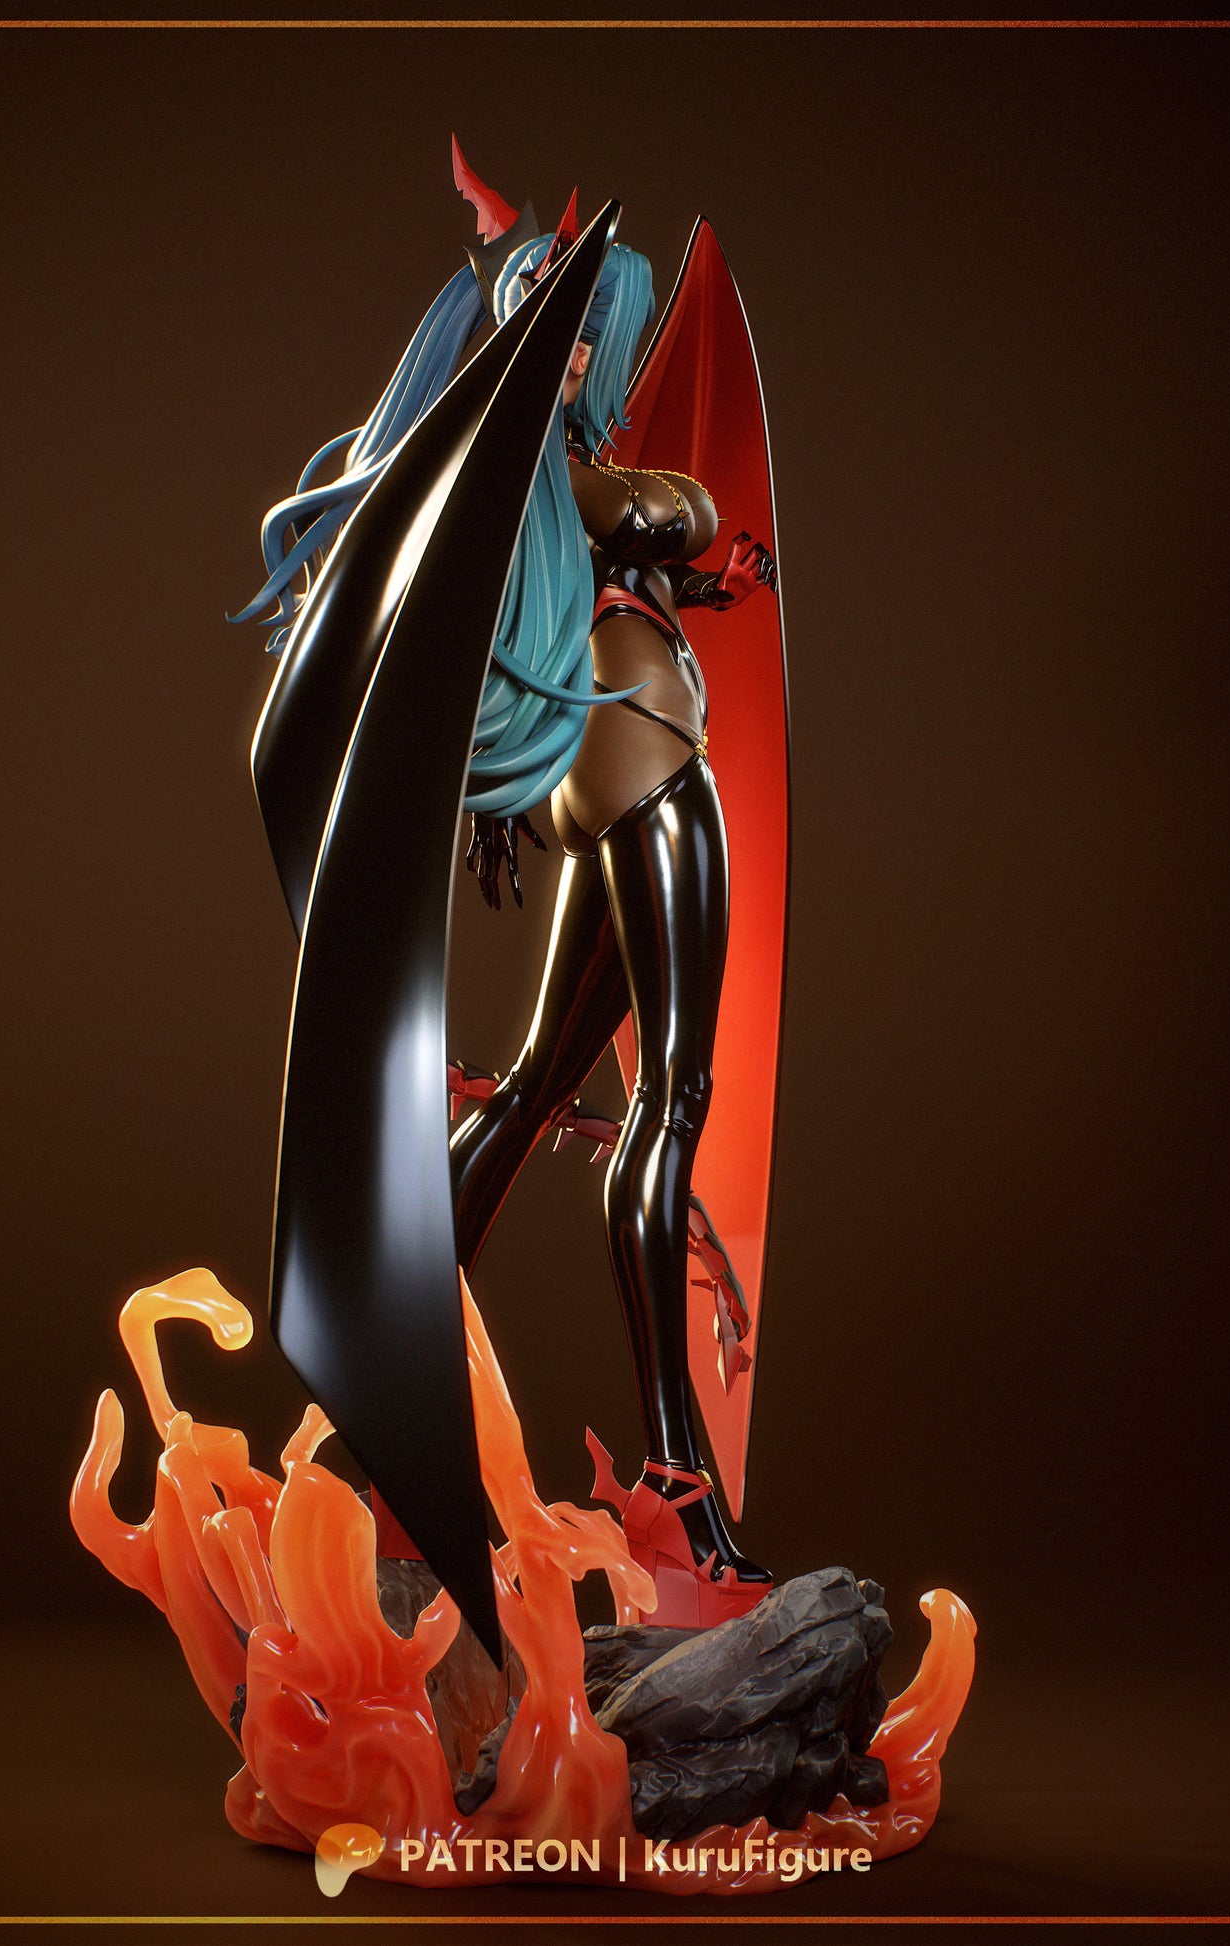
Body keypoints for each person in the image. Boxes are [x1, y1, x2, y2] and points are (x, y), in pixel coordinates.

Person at [234, 145, 779, 1624]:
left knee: (541, 1083)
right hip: (655, 789)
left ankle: (381, 1412)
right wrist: (695, 534)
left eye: (600, 333)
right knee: (666, 1111)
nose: (595, 358)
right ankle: (678, 1482)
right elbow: (672, 508)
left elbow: (652, 546)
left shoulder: (537, 502)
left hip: (609, 794)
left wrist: (689, 567)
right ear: (553, 334)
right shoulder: (561, 476)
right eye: (585, 331)